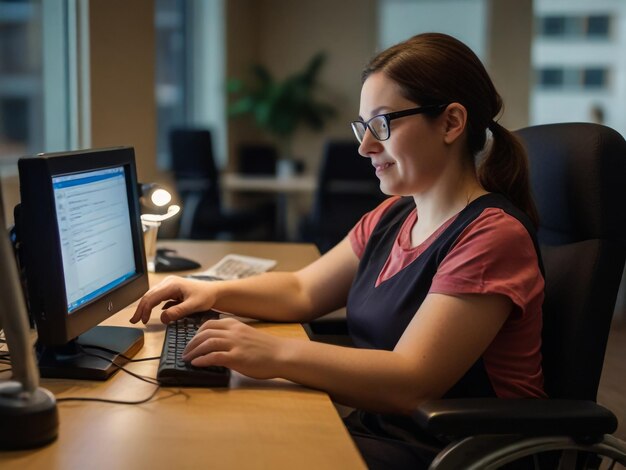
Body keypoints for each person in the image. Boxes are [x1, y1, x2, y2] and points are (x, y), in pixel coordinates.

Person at [131, 32, 546, 469]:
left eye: (383, 124)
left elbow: (413, 382)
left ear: (450, 123)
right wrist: (209, 291)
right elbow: (301, 290)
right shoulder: (393, 216)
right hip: (388, 431)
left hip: (455, 453)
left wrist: (274, 355)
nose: (365, 146)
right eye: (363, 127)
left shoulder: (490, 237)